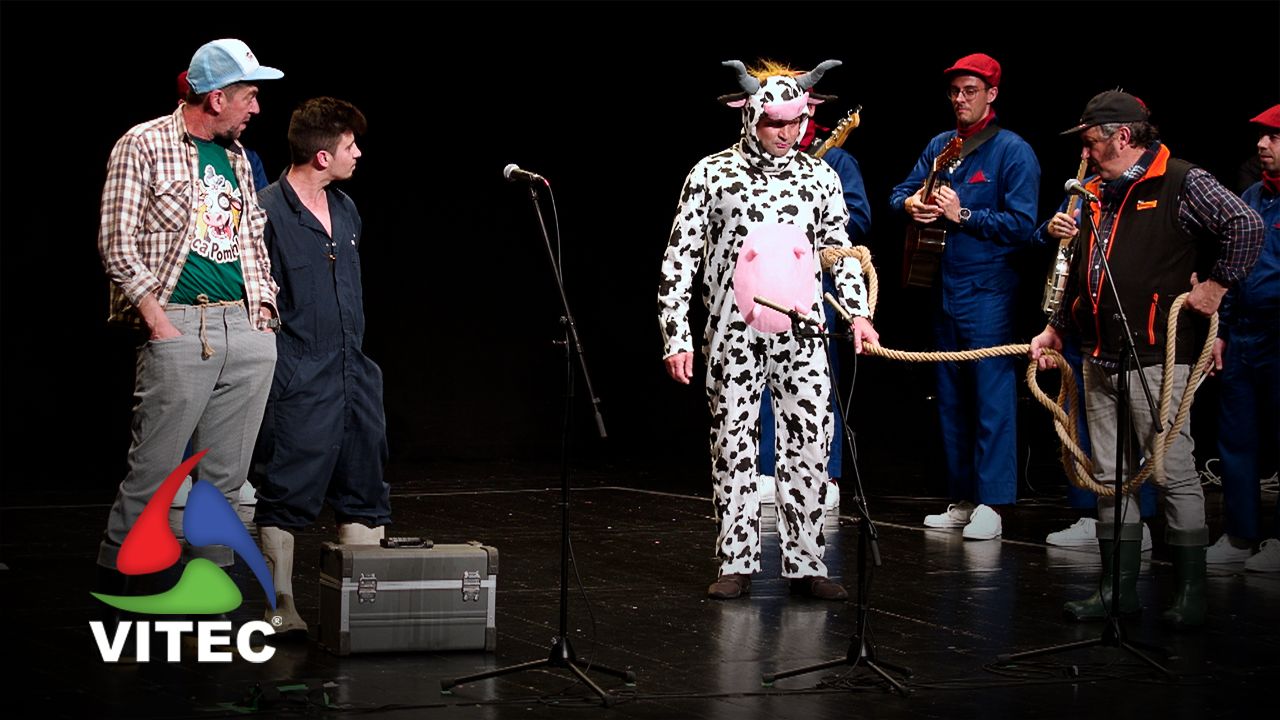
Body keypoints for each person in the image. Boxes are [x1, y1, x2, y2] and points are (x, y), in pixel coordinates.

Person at [1030, 90, 1263, 627]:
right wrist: (1056, 326)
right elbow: (1080, 270)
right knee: (1110, 476)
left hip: (1157, 353)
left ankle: (1189, 593)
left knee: (1171, 471)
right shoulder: (1092, 191)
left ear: (1122, 136)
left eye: (1091, 140)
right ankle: (1117, 589)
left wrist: (1216, 288)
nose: (1084, 151)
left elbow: (1246, 225)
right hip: (1099, 354)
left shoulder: (1181, 180)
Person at [659, 59, 878, 602]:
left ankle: (807, 563)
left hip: (803, 334)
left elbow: (840, 251)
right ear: (750, 118)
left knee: (809, 442)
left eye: (794, 121)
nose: (786, 133)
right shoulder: (713, 173)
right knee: (732, 443)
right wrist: (676, 336)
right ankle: (735, 561)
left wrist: (858, 314)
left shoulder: (819, 177)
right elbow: (680, 258)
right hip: (733, 333)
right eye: (774, 123)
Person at [94, 39, 283, 593]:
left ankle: (210, 591)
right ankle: (123, 591)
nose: (256, 108)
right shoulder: (143, 143)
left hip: (244, 328)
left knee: (225, 483)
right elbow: (116, 242)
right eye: (250, 96)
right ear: (217, 98)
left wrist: (263, 313)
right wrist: (157, 319)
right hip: (180, 323)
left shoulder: (237, 158)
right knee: (154, 476)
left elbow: (252, 241)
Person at [251, 97, 391, 633]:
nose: (358, 153)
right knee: (286, 487)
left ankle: (363, 611)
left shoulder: (346, 208)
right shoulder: (266, 211)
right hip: (299, 372)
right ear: (322, 156)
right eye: (350, 145)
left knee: (365, 487)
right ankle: (280, 604)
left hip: (354, 370)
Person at [889, 53, 1041, 541]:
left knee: (991, 397)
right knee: (951, 398)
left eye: (970, 90)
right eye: (955, 91)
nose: (960, 99)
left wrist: (965, 215)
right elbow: (898, 193)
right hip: (942, 287)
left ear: (991, 94)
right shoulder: (940, 145)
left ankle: (994, 503)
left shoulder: (1013, 150)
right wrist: (912, 202)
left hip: (988, 290)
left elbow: (1024, 226)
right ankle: (964, 498)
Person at [758, 88, 872, 513]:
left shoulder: (835, 160)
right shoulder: (763, 160)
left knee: (819, 382)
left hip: (813, 285)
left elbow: (856, 219)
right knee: (766, 379)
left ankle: (827, 474)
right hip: (769, 285)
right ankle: (768, 470)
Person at [1203, 104, 1280, 572]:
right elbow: (1232, 267)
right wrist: (1223, 331)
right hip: (1245, 334)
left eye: (1274, 136)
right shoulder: (1252, 196)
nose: (1261, 144)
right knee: (1236, 437)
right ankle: (1240, 534)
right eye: (1262, 135)